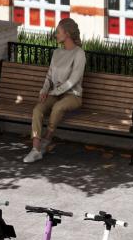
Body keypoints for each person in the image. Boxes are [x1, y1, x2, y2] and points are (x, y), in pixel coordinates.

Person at [23, 18, 86, 163]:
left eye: (58, 32)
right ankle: (36, 149)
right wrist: (44, 90)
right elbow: (49, 76)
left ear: (68, 34)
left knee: (58, 107)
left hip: (73, 96)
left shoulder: (79, 54)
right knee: (37, 110)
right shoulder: (57, 52)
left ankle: (47, 139)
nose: (55, 35)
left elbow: (74, 80)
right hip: (55, 93)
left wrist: (55, 92)